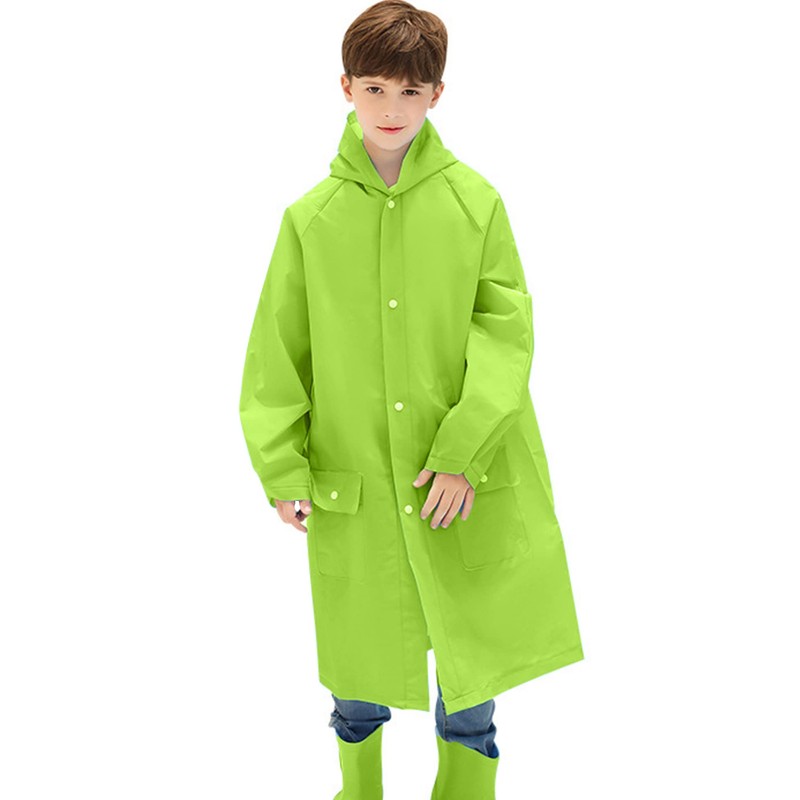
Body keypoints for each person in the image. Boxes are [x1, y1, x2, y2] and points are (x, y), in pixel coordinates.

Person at [238, 2, 584, 797]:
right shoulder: (311, 221)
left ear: (437, 95)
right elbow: (276, 354)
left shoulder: (474, 204)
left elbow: (505, 337)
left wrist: (463, 454)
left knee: (470, 657)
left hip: (456, 479)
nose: (391, 108)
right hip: (353, 478)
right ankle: (358, 787)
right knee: (359, 664)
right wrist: (283, 469)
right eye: (374, 88)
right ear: (345, 88)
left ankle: (466, 788)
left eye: (409, 91)